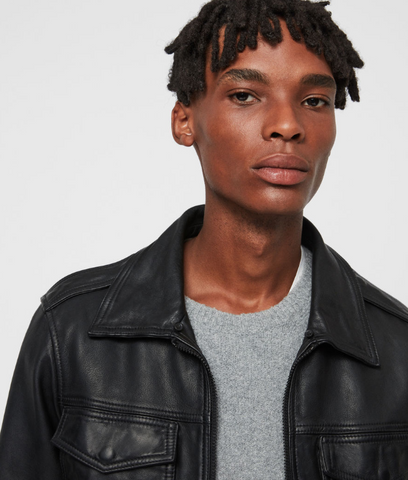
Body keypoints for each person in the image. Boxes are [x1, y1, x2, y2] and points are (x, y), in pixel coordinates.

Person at [1, 0, 408, 478]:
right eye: (245, 95)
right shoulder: (71, 331)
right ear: (185, 121)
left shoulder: (396, 349)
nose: (288, 125)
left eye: (314, 101)